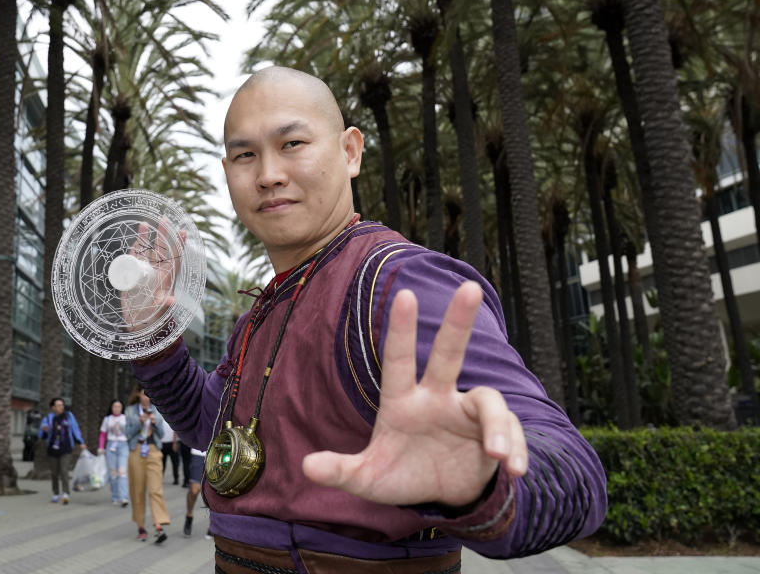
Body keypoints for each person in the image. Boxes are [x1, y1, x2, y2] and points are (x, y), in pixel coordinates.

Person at [129, 67, 607, 572]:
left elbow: (578, 475)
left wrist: (483, 487)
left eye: (292, 143)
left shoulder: (398, 285)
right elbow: (209, 426)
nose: (268, 173)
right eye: (246, 155)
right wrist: (154, 339)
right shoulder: (259, 315)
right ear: (229, 172)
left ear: (350, 152)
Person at [125, 385, 171, 544]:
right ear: (138, 394)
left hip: (153, 450)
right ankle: (141, 526)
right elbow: (127, 434)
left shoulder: (156, 409)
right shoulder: (131, 410)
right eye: (143, 394)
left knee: (155, 489)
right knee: (137, 490)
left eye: (148, 394)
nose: (146, 397)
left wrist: (154, 422)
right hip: (136, 450)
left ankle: (158, 526)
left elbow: (162, 434)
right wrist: (140, 422)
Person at [38, 397, 85, 505]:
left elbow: (75, 429)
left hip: (66, 448)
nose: (61, 407)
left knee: (64, 471)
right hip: (53, 449)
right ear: (53, 407)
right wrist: (44, 430)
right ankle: (55, 493)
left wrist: (80, 442)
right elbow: (42, 434)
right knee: (54, 473)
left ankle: (66, 493)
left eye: (62, 405)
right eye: (58, 405)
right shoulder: (48, 418)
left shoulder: (69, 416)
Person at [98, 399, 130, 507]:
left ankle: (124, 497)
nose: (117, 409)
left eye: (119, 407)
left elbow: (130, 432)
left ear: (122, 408)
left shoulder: (126, 418)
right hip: (111, 446)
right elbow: (102, 434)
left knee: (122, 472)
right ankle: (115, 496)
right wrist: (101, 447)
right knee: (113, 473)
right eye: (115, 406)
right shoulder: (107, 419)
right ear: (111, 408)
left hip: (123, 445)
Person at [182, 446, 208, 538]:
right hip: (200, 452)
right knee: (194, 490)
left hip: (221, 451)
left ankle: (214, 523)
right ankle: (189, 515)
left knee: (215, 492)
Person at [160, 418, 180, 484]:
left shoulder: (171, 416)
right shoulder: (159, 417)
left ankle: (176, 478)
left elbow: (176, 430)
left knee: (175, 463)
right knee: (162, 463)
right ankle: (159, 478)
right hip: (162, 444)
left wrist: (175, 442)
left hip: (172, 443)